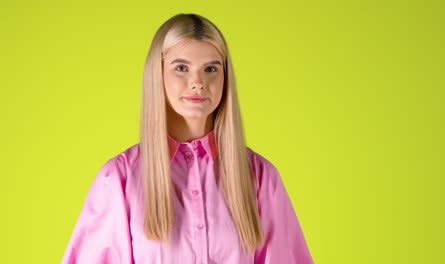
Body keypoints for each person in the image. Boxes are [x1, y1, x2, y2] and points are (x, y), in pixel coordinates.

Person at [62, 13, 314, 264]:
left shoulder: (260, 177)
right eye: (181, 68)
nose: (198, 83)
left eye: (211, 69)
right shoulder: (120, 179)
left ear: (225, 78)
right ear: (157, 74)